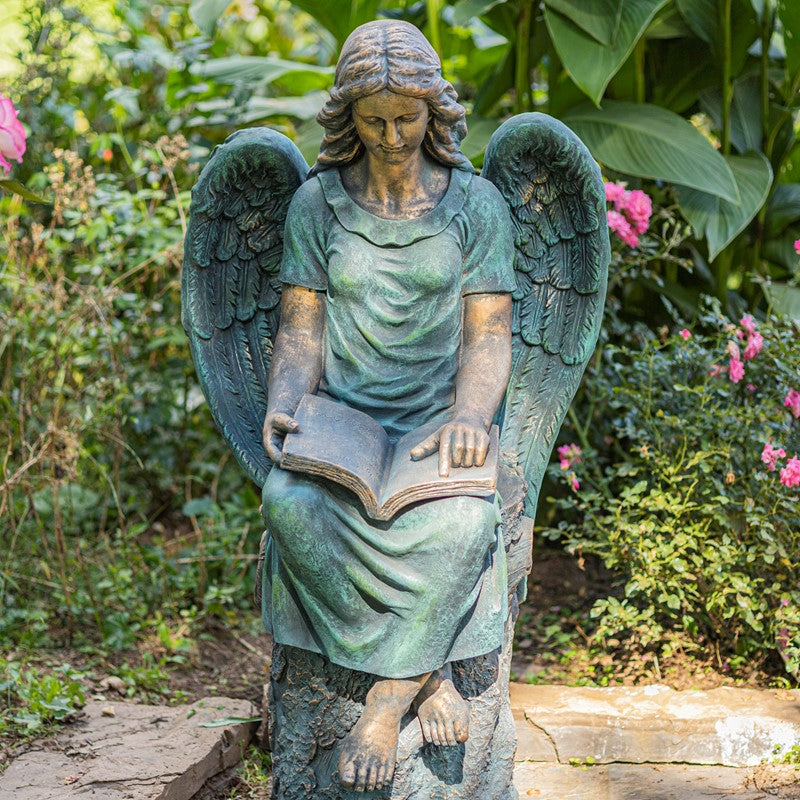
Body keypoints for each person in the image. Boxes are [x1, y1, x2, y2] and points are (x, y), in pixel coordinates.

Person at [260, 19, 515, 794]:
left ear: (434, 112)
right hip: (345, 427)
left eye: (407, 117)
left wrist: (472, 416)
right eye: (374, 120)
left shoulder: (477, 207)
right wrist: (283, 400)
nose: (393, 135)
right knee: (289, 504)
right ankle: (424, 673)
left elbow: (491, 335)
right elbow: (300, 331)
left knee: (465, 522)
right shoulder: (317, 207)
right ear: (349, 119)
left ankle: (386, 698)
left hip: (438, 430)